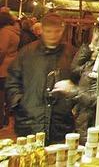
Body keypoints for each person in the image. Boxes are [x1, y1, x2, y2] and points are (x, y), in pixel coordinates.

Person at [5, 13, 76, 144]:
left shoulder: (71, 53)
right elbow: (12, 81)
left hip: (60, 123)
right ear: (41, 30)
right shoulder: (27, 52)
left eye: (57, 31)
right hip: (29, 121)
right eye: (49, 31)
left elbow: (79, 82)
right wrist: (20, 104)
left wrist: (72, 100)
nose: (53, 35)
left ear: (62, 30)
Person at [70, 27, 99, 144]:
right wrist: (90, 47)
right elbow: (75, 69)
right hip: (83, 119)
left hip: (93, 122)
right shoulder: (92, 61)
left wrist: (73, 92)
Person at [0, 11, 20, 128]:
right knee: (7, 96)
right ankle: (6, 119)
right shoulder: (14, 31)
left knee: (2, 96)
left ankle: (2, 120)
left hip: (3, 68)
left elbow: (1, 50)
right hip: (11, 66)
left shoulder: (5, 32)